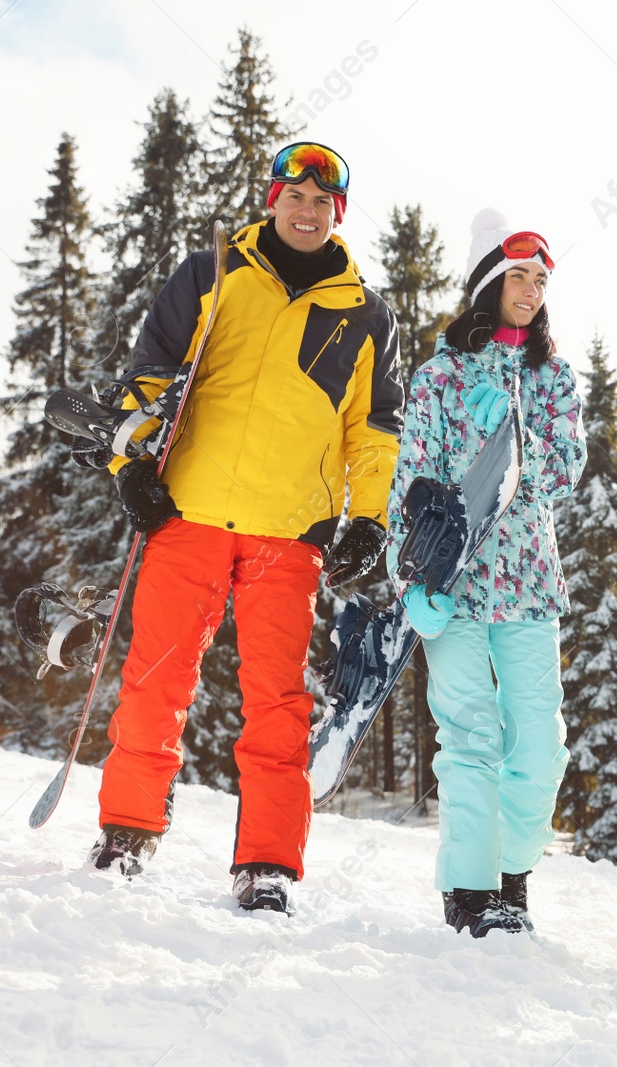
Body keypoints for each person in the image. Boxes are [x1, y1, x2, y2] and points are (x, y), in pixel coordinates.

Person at [84, 142, 401, 915]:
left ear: (337, 215)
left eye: (321, 202)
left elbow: (375, 428)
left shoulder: (364, 313)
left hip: (288, 532)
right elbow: (150, 376)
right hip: (187, 510)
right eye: (293, 195)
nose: (305, 209)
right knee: (155, 679)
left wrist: (367, 516)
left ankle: (267, 864)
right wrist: (130, 467)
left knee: (278, 703)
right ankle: (127, 828)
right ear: (271, 199)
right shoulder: (211, 272)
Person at [388, 208, 585, 938]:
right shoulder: (439, 377)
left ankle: (512, 871)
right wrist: (405, 575)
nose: (532, 291)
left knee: (539, 742)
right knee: (468, 732)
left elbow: (564, 474)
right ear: (488, 282)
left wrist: (518, 429)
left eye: (541, 279)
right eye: (519, 276)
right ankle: (471, 889)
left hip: (531, 580)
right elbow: (412, 477)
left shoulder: (553, 376)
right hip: (455, 579)